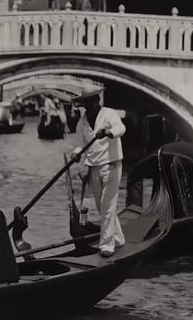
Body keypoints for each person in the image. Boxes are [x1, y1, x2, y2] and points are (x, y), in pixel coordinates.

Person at [72, 87, 126, 258]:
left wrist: (108, 133)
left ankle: (107, 245)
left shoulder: (109, 114)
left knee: (108, 205)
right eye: (86, 102)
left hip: (111, 164)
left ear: (97, 100)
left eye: (91, 101)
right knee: (101, 206)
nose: (89, 105)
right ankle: (118, 238)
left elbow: (121, 128)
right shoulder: (81, 123)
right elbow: (80, 145)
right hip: (94, 166)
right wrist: (76, 153)